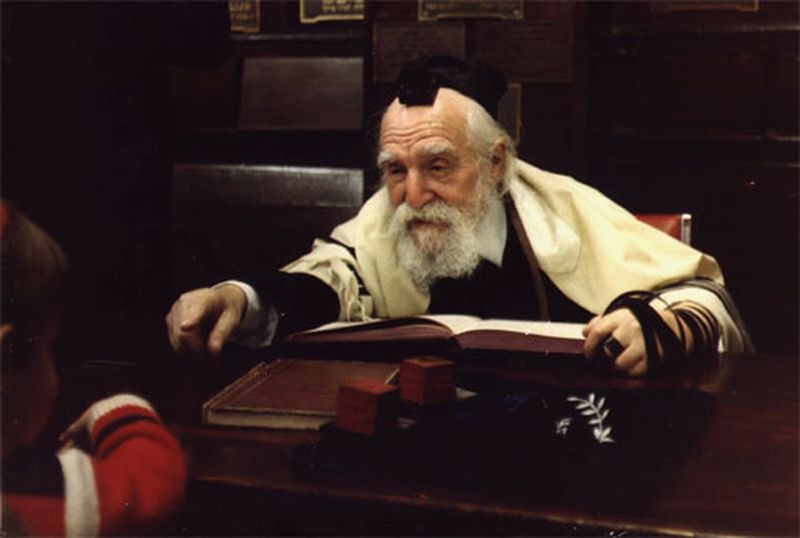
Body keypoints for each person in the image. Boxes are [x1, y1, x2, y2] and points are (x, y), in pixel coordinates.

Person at [165, 56, 751, 376]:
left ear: (495, 164)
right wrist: (239, 299)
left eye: (438, 165)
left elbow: (701, 295)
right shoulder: (386, 215)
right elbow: (330, 280)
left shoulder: (564, 210)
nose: (413, 195)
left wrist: (660, 327)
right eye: (396, 170)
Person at [1, 201, 187, 536]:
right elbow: (154, 479)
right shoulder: (46, 491)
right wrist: (121, 412)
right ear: (8, 355)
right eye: (49, 346)